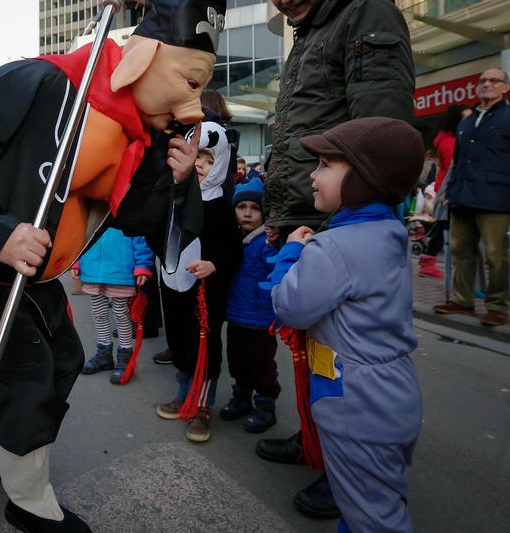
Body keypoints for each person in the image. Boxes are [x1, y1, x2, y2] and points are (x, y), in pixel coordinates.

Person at [0, 0, 228, 533]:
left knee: (62, 357)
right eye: (189, 83)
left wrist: (176, 179)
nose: (193, 106)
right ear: (142, 58)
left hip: (37, 276)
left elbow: (133, 216)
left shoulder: (137, 135)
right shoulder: (38, 81)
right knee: (28, 377)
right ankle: (28, 502)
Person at [258, 0, 415, 517]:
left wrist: (343, 216)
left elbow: (379, 128)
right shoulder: (312, 29)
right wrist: (283, 213)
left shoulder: (363, 11)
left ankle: (342, 462)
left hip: (340, 219)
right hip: (311, 214)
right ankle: (317, 441)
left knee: (337, 348)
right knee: (311, 347)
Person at [265, 117, 424, 533]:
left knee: (372, 518)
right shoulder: (390, 230)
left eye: (324, 166)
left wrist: (290, 254)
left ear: (362, 180)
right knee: (380, 498)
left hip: (354, 399)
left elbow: (289, 307)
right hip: (394, 391)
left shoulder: (331, 247)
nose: (313, 176)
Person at [155, 121, 242, 443]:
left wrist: (213, 264)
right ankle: (183, 395)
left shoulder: (219, 206)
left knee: (204, 344)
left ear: (219, 161)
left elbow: (233, 250)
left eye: (207, 160)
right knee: (178, 340)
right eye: (196, 159)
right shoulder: (175, 197)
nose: (200, 166)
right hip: (174, 286)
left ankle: (202, 405)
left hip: (205, 293)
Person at [435, 68, 510, 327]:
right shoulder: (467, 121)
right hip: (461, 197)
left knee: (496, 254)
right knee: (460, 251)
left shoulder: (508, 117)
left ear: (505, 87)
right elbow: (457, 162)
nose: (486, 84)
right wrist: (448, 192)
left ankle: (499, 306)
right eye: (482, 81)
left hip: (496, 197)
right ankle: (463, 301)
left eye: (493, 80)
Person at [219, 178, 280, 433]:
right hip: (235, 315)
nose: (247, 213)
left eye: (254, 208)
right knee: (237, 361)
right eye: (241, 207)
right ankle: (241, 398)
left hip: (260, 318)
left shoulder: (267, 242)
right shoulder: (232, 237)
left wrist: (275, 240)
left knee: (262, 365)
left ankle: (265, 407)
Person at [72, 227, 153, 383]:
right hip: (92, 270)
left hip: (121, 271)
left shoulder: (129, 210)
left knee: (121, 315)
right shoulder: (93, 209)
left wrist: (143, 265)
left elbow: (141, 238)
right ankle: (104, 354)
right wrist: (76, 261)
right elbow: (81, 236)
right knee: (99, 314)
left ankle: (125, 357)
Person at [418, 104, 466, 278]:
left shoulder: (448, 139)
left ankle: (427, 261)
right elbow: (454, 167)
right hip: (448, 188)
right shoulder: (450, 141)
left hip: (446, 186)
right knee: (443, 226)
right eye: (465, 118)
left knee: (442, 226)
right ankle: (428, 262)